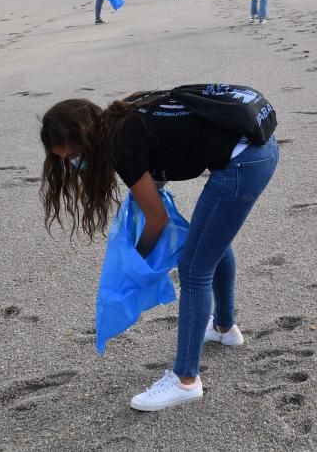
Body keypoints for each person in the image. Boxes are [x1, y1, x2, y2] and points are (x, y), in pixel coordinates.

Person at [39, 85, 279, 411]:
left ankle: (185, 380)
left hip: (244, 161)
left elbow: (158, 220)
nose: (74, 165)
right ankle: (225, 328)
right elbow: (159, 161)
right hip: (257, 147)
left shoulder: (121, 146)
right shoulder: (122, 114)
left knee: (194, 267)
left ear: (83, 140)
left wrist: (135, 261)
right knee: (211, 240)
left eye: (71, 156)